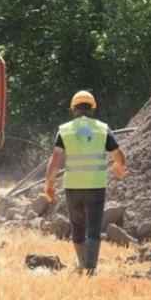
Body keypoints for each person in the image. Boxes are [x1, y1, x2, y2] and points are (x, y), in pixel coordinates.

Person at [43, 90, 128, 274]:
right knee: (94, 228)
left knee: (77, 225)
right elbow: (118, 155)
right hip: (96, 185)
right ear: (92, 109)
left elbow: (55, 159)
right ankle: (91, 268)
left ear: (73, 109)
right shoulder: (102, 128)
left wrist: (49, 184)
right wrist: (119, 167)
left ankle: (82, 262)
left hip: (73, 186)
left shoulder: (64, 129)